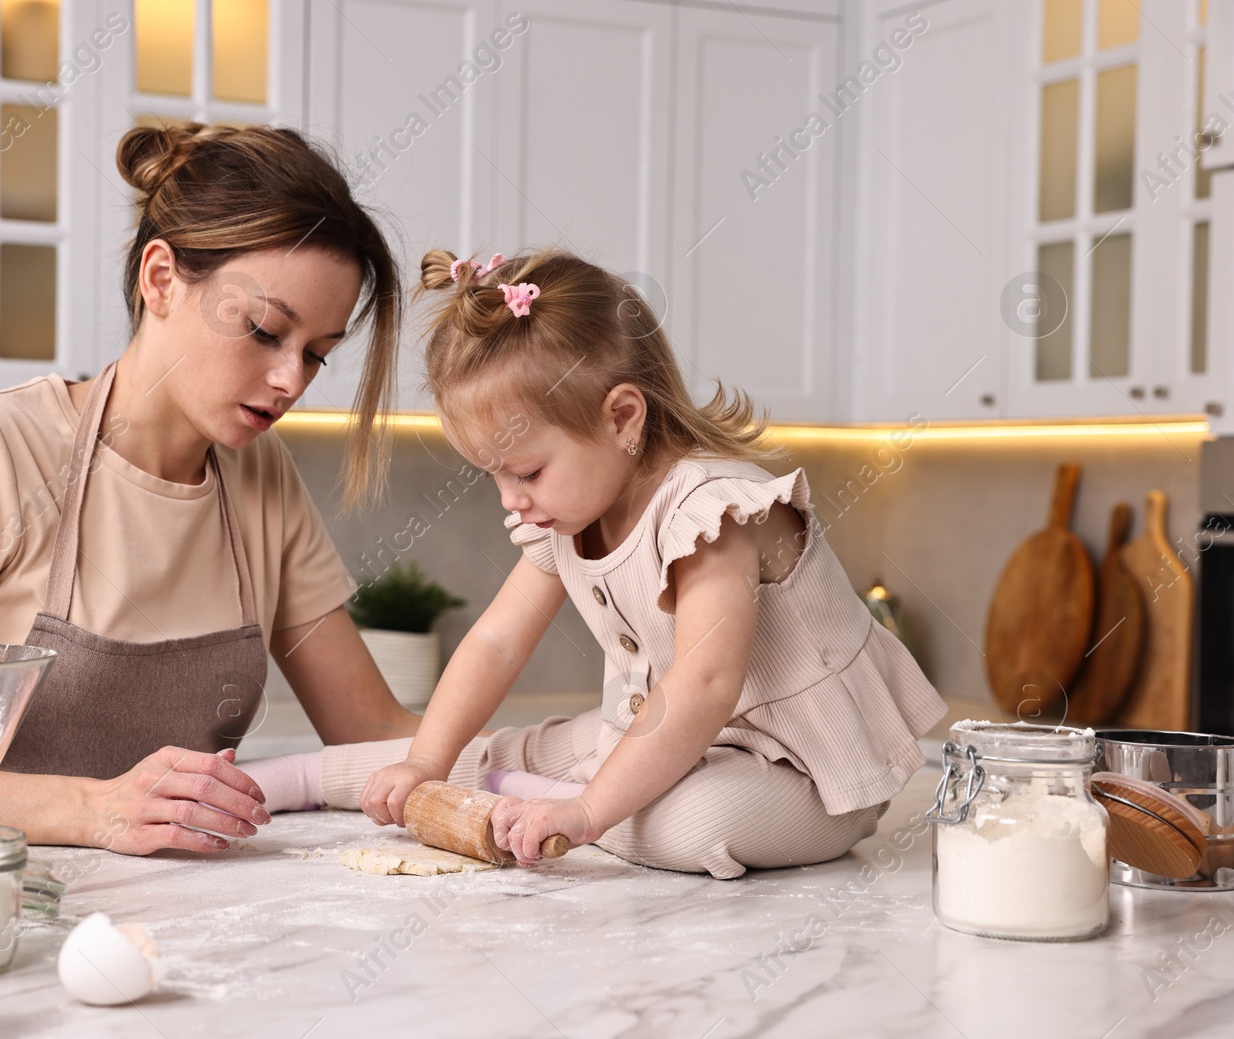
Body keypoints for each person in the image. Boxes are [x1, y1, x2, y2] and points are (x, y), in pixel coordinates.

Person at [243, 249, 946, 877]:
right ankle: (281, 779)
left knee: (697, 823)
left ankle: (564, 802)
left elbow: (704, 681)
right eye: (492, 475)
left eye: (526, 471)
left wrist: (586, 812)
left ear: (622, 418)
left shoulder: (711, 512)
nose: (511, 501)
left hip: (803, 775)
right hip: (664, 740)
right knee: (473, 751)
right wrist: (425, 765)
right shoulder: (568, 511)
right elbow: (494, 641)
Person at [0, 123, 421, 855]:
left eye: (317, 357)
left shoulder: (261, 479)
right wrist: (91, 808)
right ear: (161, 279)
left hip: (186, 932)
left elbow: (380, 737)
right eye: (265, 331)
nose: (290, 381)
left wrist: (578, 748)